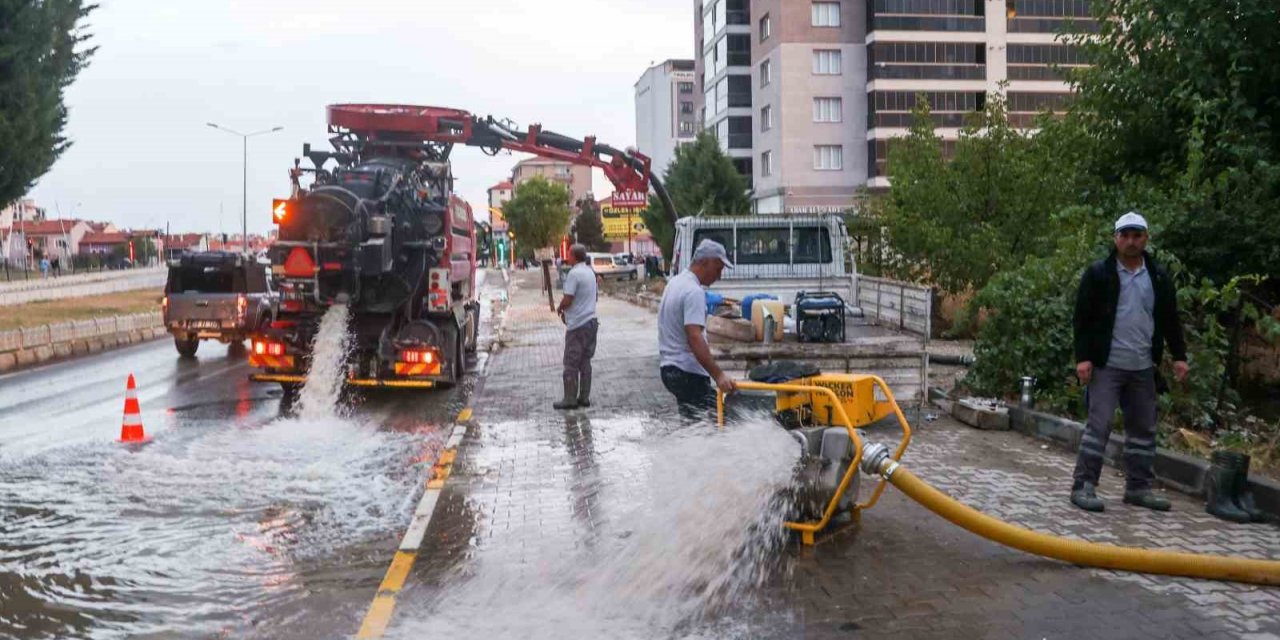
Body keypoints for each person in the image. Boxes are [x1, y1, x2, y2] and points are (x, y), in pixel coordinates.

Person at [1070, 211, 1189, 513]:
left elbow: (1169, 318)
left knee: (1143, 428)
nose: (1130, 241)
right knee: (1100, 424)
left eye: (1137, 236)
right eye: (1125, 235)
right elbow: (1082, 318)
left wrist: (1179, 356)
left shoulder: (1158, 276)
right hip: (1107, 363)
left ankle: (1138, 487)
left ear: (1145, 239)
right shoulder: (1099, 273)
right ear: (1116, 238)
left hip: (1142, 365)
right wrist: (1083, 358)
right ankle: (1084, 485)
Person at [657, 238, 737, 420]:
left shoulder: (675, 283)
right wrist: (719, 375)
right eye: (718, 269)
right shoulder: (693, 292)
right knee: (721, 422)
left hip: (670, 369)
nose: (719, 276)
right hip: (687, 372)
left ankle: (688, 448)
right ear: (703, 262)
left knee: (694, 425)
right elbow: (694, 336)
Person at [554, 244, 599, 410]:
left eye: (569, 254)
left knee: (571, 363)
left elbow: (568, 298)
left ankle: (570, 399)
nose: (568, 256)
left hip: (578, 326)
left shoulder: (574, 274)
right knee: (585, 361)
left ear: (574, 256)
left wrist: (560, 308)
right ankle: (584, 397)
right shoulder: (590, 272)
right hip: (591, 322)